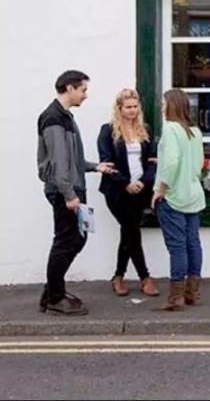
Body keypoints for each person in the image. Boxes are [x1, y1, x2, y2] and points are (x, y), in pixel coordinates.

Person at [37, 70, 115, 315]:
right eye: (83, 89)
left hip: (71, 187)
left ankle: (53, 289)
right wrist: (69, 195)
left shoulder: (65, 117)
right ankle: (55, 298)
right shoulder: (53, 118)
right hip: (64, 190)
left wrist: (95, 166)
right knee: (64, 241)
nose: (86, 95)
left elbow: (71, 159)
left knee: (77, 238)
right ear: (69, 88)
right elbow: (60, 163)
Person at [97, 88, 159, 298]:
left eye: (135, 106)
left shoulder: (145, 130)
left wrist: (143, 181)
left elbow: (152, 161)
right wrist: (125, 183)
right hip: (116, 191)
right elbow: (107, 163)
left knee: (128, 231)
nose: (132, 111)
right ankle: (145, 277)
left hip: (140, 190)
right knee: (132, 230)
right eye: (128, 107)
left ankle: (118, 276)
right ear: (119, 109)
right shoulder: (108, 131)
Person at [152, 88, 206, 312]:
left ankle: (176, 298)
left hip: (174, 196)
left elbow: (172, 162)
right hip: (194, 194)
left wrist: (160, 189)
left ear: (172, 105)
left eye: (164, 103)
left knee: (177, 247)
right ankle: (191, 292)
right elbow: (198, 163)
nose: (162, 107)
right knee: (193, 243)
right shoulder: (195, 132)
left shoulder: (171, 129)